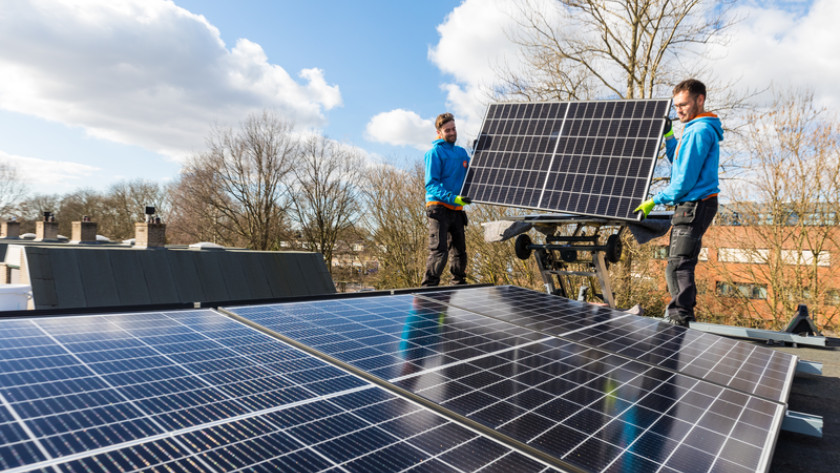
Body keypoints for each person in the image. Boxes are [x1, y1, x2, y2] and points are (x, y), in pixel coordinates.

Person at [635, 79, 723, 326]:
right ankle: (682, 316)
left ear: (700, 100)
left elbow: (683, 182)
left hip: (694, 204)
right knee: (680, 264)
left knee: (678, 266)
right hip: (697, 203)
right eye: (676, 106)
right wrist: (670, 136)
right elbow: (680, 162)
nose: (679, 110)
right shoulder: (695, 128)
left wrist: (654, 201)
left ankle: (680, 320)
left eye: (683, 105)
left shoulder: (699, 131)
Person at [421, 113, 472, 287]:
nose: (452, 133)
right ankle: (428, 288)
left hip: (457, 209)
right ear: (439, 132)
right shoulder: (434, 153)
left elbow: (474, 174)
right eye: (447, 130)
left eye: (454, 129)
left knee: (460, 252)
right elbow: (431, 185)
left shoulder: (461, 153)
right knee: (439, 250)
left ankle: (458, 286)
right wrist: (453, 198)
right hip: (438, 208)